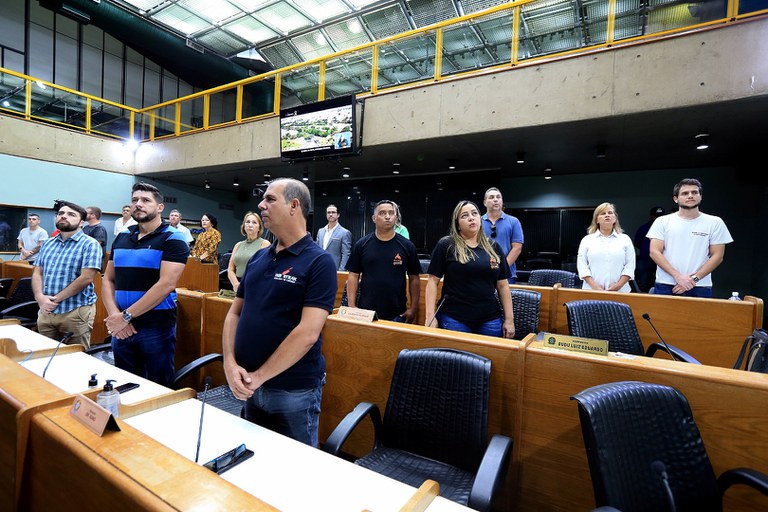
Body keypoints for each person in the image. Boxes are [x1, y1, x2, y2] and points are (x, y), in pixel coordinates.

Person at [221, 178, 337, 447]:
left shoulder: (319, 262)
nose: (261, 205)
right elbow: (234, 314)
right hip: (250, 384)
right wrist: (229, 363)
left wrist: (259, 377)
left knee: (294, 465)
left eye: (270, 199)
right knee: (253, 458)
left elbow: (308, 333)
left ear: (294, 205)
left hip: (292, 391)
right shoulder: (258, 258)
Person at [102, 182, 189, 387]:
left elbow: (166, 284)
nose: (138, 204)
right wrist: (115, 315)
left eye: (145, 200)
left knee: (157, 385)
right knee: (125, 383)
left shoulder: (173, 237)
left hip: (155, 325)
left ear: (160, 208)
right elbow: (108, 279)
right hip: (121, 324)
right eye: (135, 200)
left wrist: (125, 317)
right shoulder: (122, 236)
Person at [425, 200, 515, 338]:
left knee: (490, 352)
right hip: (454, 317)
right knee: (456, 353)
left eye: (474, 213)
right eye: (464, 216)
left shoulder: (494, 247)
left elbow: (503, 285)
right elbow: (432, 281)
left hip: (490, 318)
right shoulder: (446, 245)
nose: (471, 218)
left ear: (480, 218)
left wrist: (509, 320)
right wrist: (430, 316)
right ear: (457, 224)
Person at [32, 201, 102, 349]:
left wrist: (54, 300)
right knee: (44, 354)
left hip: (74, 311)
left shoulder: (90, 244)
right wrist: (40, 297)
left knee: (75, 356)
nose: (64, 216)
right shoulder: (48, 243)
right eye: (61, 213)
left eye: (71, 214)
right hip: (45, 311)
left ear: (82, 222)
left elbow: (86, 278)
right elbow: (38, 272)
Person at [647, 178, 733, 298]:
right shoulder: (662, 221)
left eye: (694, 192)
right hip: (666, 284)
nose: (690, 196)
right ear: (675, 199)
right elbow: (654, 252)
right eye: (685, 193)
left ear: (700, 196)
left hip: (700, 285)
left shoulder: (715, 222)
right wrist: (678, 276)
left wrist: (694, 279)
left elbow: (718, 256)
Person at [346, 200, 421, 323]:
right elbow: (353, 275)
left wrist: (413, 308)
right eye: (382, 213)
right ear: (374, 218)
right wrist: (351, 306)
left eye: (391, 213)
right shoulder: (362, 245)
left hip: (398, 314)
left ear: (396, 217)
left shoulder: (407, 246)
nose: (387, 216)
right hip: (365, 314)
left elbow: (414, 278)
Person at [576, 202, 636, 292]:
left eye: (610, 213)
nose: (607, 215)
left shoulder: (625, 239)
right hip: (592, 291)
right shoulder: (587, 240)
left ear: (615, 219)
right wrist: (596, 287)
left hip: (620, 292)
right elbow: (582, 266)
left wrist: (617, 286)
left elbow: (630, 266)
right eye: (603, 213)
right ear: (596, 220)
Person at [481, 187, 524, 283]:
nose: (495, 199)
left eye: (498, 197)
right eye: (491, 197)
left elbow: (517, 248)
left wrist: (502, 268)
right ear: (485, 202)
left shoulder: (514, 221)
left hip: (507, 273)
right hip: (483, 272)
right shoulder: (478, 222)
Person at [227, 211, 271, 290]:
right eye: (247, 222)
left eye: (254, 222)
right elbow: (230, 269)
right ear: (244, 226)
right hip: (237, 285)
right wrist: (236, 284)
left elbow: (264, 270)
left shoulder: (265, 244)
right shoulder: (238, 245)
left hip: (254, 285)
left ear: (259, 227)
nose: (250, 225)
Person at [633, 206, 665, 292]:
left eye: (661, 216)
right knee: (644, 283)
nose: (658, 218)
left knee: (660, 285)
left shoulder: (667, 228)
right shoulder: (643, 228)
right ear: (651, 216)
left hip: (663, 261)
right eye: (656, 216)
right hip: (646, 260)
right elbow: (637, 243)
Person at [315, 204, 352, 271]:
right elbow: (316, 251)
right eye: (328, 212)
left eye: (333, 212)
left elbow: (346, 254)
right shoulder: (320, 231)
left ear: (338, 215)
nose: (331, 214)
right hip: (319, 269)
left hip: (335, 270)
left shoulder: (344, 233)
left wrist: (341, 272)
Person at [82, 206, 108, 270]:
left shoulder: (99, 229)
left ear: (93, 215)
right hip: (84, 259)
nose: (84, 215)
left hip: (93, 262)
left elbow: (95, 246)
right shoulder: (86, 227)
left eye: (86, 213)